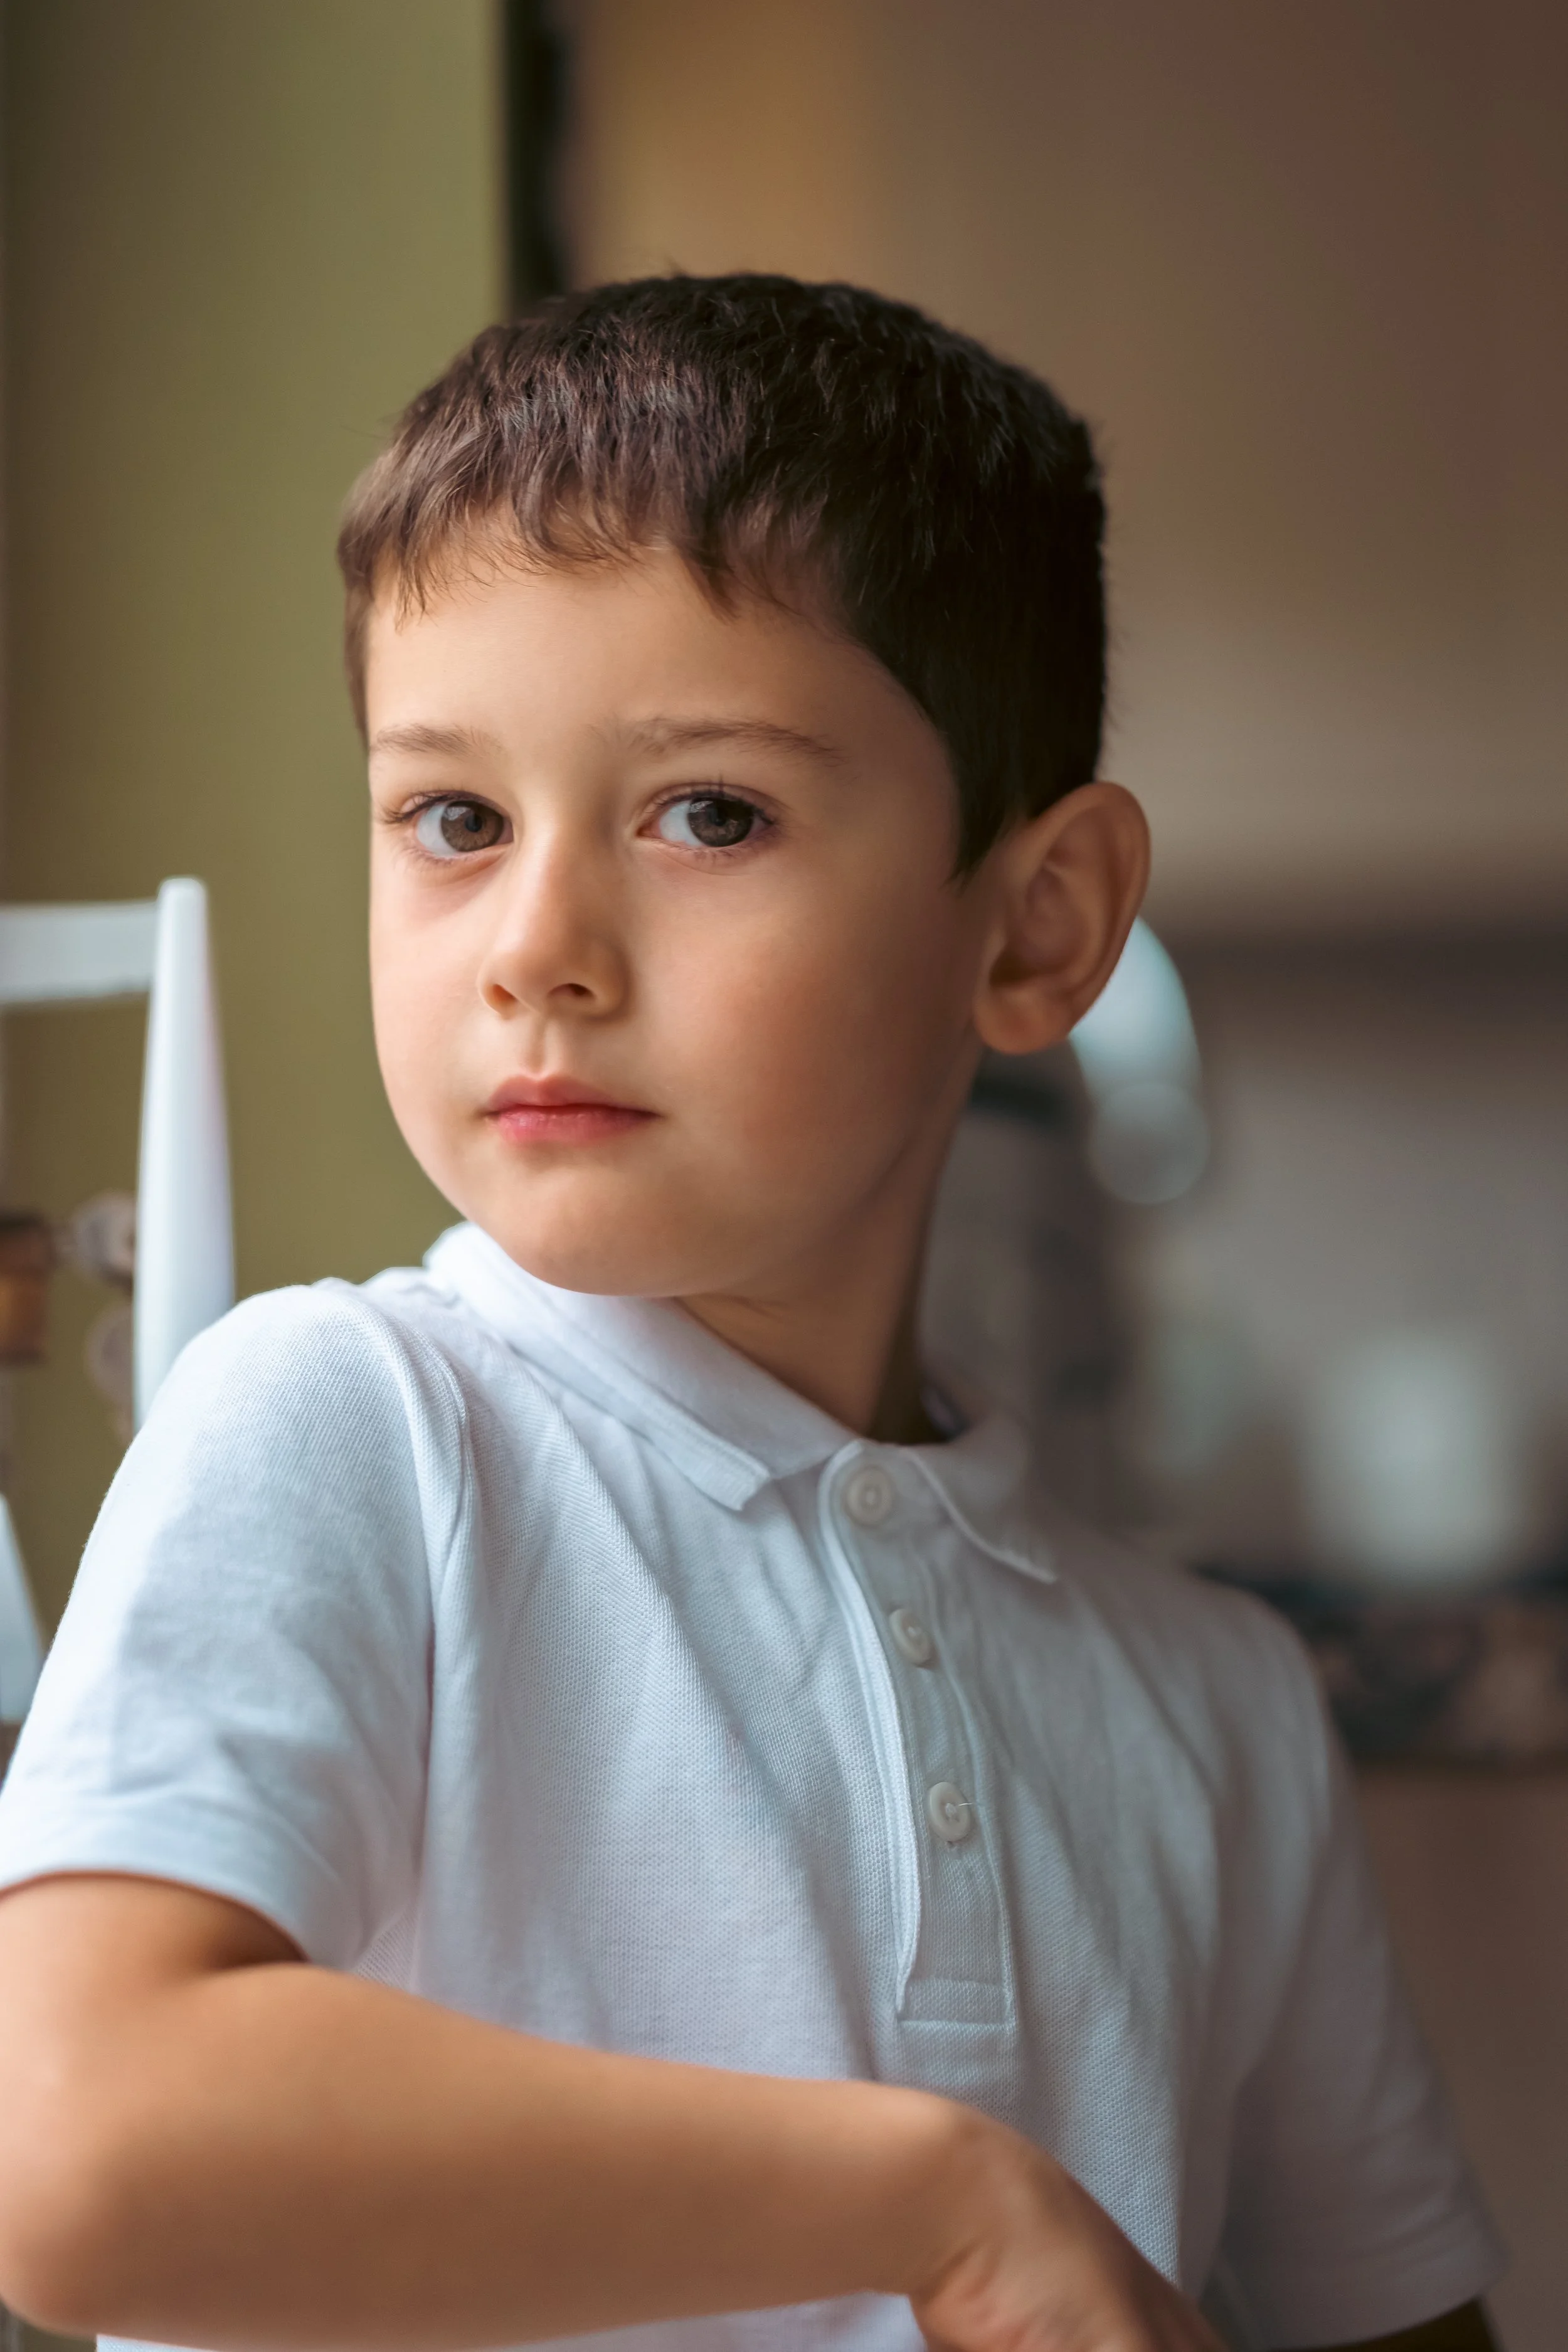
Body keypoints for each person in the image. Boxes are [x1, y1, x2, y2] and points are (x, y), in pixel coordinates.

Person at [0, 277, 1502, 2352]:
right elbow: (69, 2139)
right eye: (453, 817)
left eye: (706, 812)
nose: (536, 947)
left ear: (1038, 923)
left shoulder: (1222, 1714)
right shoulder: (342, 1422)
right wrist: (941, 2202)